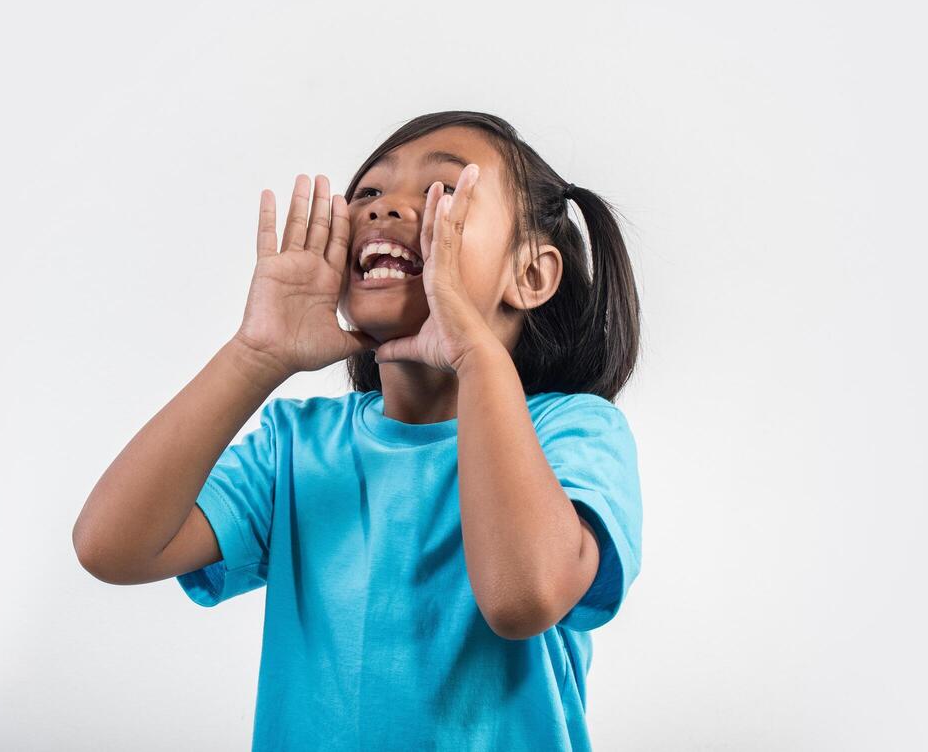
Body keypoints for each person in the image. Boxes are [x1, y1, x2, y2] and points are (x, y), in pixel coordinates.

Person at [73, 110, 644, 751]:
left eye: (442, 193)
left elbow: (522, 598)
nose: (383, 209)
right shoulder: (297, 448)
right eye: (368, 194)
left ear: (530, 275)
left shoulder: (575, 432)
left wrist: (477, 355)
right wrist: (255, 354)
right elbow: (110, 548)